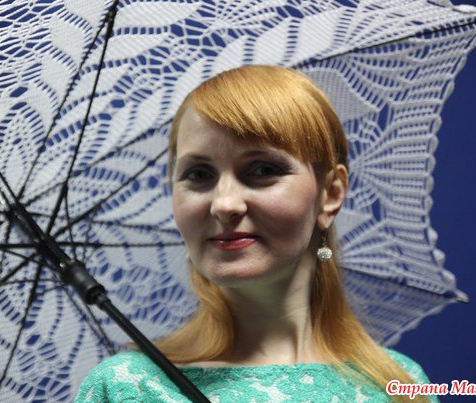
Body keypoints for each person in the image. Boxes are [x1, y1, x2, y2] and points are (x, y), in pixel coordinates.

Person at [76, 65, 435, 402]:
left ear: (330, 194)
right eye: (198, 175)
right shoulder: (129, 388)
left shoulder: (399, 384)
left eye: (262, 170)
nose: (224, 204)